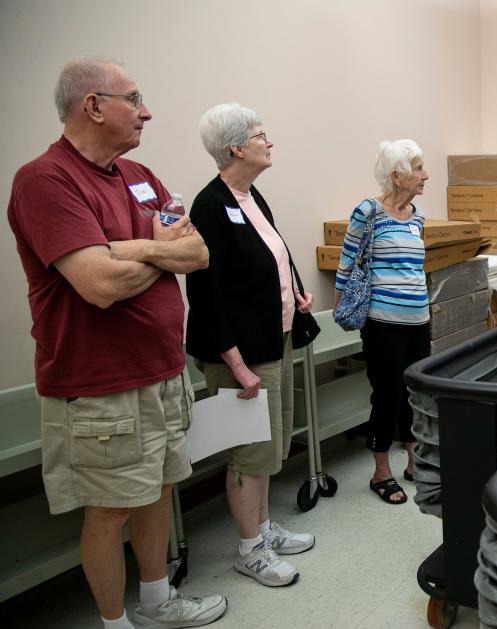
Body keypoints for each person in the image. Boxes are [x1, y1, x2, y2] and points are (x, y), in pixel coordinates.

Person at [7, 57, 226, 629]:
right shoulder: (44, 180)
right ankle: (114, 623)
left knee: (157, 490)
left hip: (160, 369)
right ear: (94, 106)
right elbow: (99, 286)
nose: (147, 111)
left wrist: (127, 247)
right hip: (98, 385)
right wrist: (154, 248)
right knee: (109, 511)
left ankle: (158, 602)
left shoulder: (140, 175)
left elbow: (198, 253)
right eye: (134, 98)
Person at [185, 103, 316, 587]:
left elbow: (272, 254)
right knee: (248, 451)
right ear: (238, 147)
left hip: (272, 338)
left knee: (270, 446)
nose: (270, 141)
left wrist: (295, 294)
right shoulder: (209, 205)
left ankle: (261, 529)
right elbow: (204, 294)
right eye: (262, 135)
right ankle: (249, 550)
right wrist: (235, 364)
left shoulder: (251, 196)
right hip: (238, 353)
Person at [334, 139, 430, 505]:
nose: (425, 175)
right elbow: (347, 260)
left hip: (418, 319)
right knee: (386, 394)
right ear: (397, 175)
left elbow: (415, 267)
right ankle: (380, 471)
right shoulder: (368, 211)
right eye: (418, 168)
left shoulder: (417, 215)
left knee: (414, 393)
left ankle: (412, 461)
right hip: (383, 322)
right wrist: (343, 303)